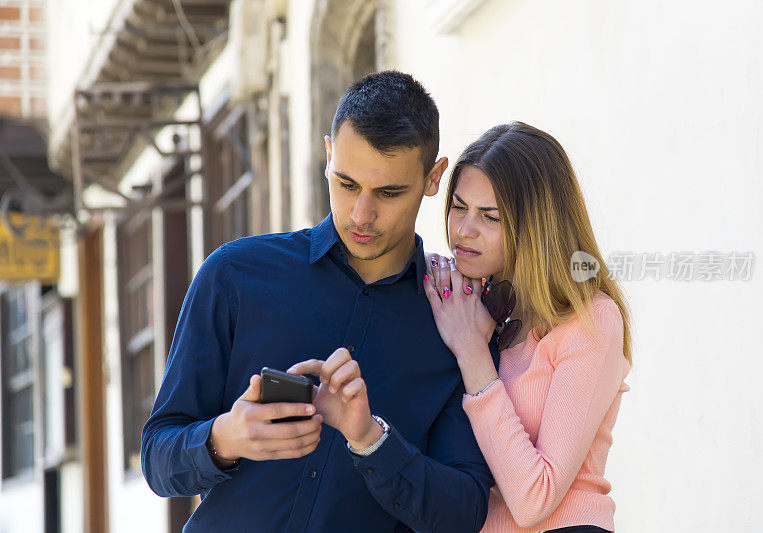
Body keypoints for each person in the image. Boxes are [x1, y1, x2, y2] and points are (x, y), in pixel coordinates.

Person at [141, 71, 494, 532]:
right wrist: (226, 437)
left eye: (388, 193)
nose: (361, 215)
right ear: (328, 154)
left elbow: (464, 512)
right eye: (346, 183)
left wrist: (372, 441)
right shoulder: (235, 275)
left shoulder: (455, 319)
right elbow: (157, 456)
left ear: (432, 178)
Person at [423, 122, 633, 533]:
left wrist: (471, 351)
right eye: (459, 206)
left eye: (490, 217)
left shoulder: (591, 321)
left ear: (535, 226)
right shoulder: (473, 308)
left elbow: (534, 498)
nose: (464, 229)